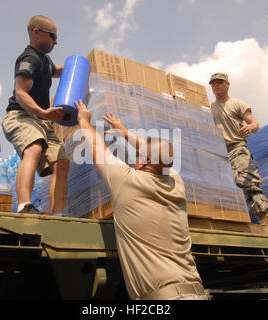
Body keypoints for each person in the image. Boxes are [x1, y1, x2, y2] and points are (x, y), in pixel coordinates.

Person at [74, 100, 209, 300]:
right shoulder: (176, 184)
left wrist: (83, 121)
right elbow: (161, 157)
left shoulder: (127, 180)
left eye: (138, 155)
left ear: (144, 161)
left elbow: (96, 146)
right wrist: (125, 132)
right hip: (196, 293)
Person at [3, 15, 70, 215]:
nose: (56, 41)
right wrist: (44, 113)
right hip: (22, 115)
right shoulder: (29, 58)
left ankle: (57, 215)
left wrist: (78, 67)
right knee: (33, 148)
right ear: (36, 32)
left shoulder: (45, 60)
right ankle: (25, 206)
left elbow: (56, 71)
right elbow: (20, 93)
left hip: (42, 121)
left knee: (62, 162)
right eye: (53, 36)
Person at [209, 72, 268, 233]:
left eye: (220, 83)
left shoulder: (237, 104)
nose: (216, 85)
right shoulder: (209, 108)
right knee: (219, 188)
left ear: (227, 84)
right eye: (213, 83)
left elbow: (255, 123)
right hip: (218, 153)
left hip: (236, 148)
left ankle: (265, 221)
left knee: (248, 182)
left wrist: (249, 127)